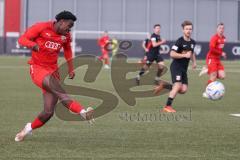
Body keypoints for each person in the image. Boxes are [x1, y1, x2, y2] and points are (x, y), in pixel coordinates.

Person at [15, 11, 94, 142]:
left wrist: (70, 68)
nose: (70, 29)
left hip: (52, 72)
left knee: (48, 112)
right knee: (61, 93)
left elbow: (68, 50)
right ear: (61, 21)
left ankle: (27, 129)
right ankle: (83, 112)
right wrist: (33, 45)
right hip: (38, 69)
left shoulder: (66, 35)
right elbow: (22, 39)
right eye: (69, 25)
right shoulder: (41, 27)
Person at [155, 20, 197, 112]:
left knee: (183, 90)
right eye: (186, 29)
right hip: (176, 66)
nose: (188, 31)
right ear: (183, 30)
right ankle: (167, 106)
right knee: (177, 85)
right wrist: (184, 55)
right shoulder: (179, 41)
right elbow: (172, 54)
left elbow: (192, 52)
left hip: (184, 69)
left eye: (190, 29)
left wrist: (194, 62)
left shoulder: (193, 42)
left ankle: (164, 85)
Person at [199, 23, 226, 98]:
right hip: (211, 58)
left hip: (217, 59)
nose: (221, 30)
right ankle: (206, 92)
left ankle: (207, 70)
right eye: (220, 28)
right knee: (213, 77)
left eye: (223, 28)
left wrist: (221, 54)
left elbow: (219, 48)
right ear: (217, 29)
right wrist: (221, 53)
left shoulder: (224, 38)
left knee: (222, 76)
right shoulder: (214, 38)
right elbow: (212, 49)